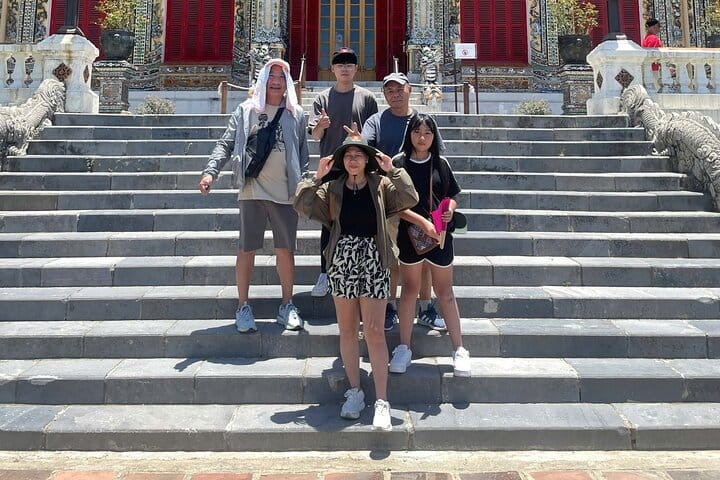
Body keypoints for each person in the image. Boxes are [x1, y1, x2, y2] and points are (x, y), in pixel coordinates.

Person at [294, 138, 418, 431]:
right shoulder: (332, 188)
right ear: (342, 160)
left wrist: (393, 170)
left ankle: (382, 400)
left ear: (366, 160)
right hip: (342, 258)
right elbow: (302, 205)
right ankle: (354, 392)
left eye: (358, 155)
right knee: (348, 329)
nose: (352, 159)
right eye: (348, 155)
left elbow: (409, 197)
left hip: (375, 257)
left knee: (374, 331)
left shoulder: (381, 184)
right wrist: (316, 177)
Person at [199, 58, 309, 333]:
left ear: (288, 82)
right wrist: (210, 172)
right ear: (263, 80)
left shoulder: (296, 114)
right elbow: (226, 144)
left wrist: (305, 187)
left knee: (286, 250)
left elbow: (303, 155)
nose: (276, 82)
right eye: (271, 76)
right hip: (252, 189)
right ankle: (243, 305)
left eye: (281, 77)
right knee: (246, 248)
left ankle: (287, 304)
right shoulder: (246, 110)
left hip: (286, 192)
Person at [361, 72, 446, 332]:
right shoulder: (376, 121)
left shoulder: (422, 120)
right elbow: (365, 148)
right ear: (384, 94)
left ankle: (425, 306)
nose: (395, 94)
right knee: (392, 255)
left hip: (422, 200)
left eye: (399, 89)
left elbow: (437, 156)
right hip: (388, 199)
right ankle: (389, 305)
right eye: (390, 90)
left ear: (409, 89)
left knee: (423, 255)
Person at [389, 113, 471, 377]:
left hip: (440, 235)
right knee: (409, 290)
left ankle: (459, 349)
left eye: (427, 132)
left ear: (434, 136)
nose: (422, 138)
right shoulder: (398, 163)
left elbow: (452, 194)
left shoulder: (441, 163)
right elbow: (393, 203)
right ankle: (404, 347)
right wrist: (422, 223)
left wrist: (449, 210)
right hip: (409, 235)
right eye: (417, 132)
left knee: (445, 291)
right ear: (409, 134)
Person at [307, 47, 379, 298]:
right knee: (329, 222)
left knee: (360, 220)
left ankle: (361, 272)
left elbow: (373, 136)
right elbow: (315, 135)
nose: (345, 68)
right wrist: (321, 125)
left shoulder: (367, 98)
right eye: (340, 64)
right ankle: (325, 272)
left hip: (359, 168)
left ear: (356, 68)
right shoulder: (322, 99)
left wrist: (360, 140)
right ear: (333, 69)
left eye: (349, 64)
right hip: (332, 167)